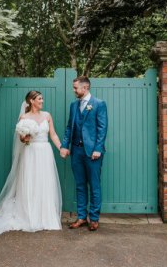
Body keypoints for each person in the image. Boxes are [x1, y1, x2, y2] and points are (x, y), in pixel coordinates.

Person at [0, 90, 63, 236]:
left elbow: (53, 134)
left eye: (42, 99)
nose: (42, 101)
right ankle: (29, 216)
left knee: (44, 182)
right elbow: (22, 139)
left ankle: (46, 217)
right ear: (31, 101)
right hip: (30, 153)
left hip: (45, 152)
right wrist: (25, 138)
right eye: (40, 99)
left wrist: (61, 148)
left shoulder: (47, 115)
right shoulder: (24, 117)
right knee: (30, 182)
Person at [59, 76, 108, 231]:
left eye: (75, 88)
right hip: (76, 151)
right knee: (80, 185)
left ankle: (94, 218)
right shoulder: (74, 105)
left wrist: (98, 149)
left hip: (92, 152)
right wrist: (65, 146)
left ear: (85, 88)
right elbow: (69, 128)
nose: (74, 90)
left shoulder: (99, 104)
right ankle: (81, 217)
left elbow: (102, 128)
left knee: (94, 185)